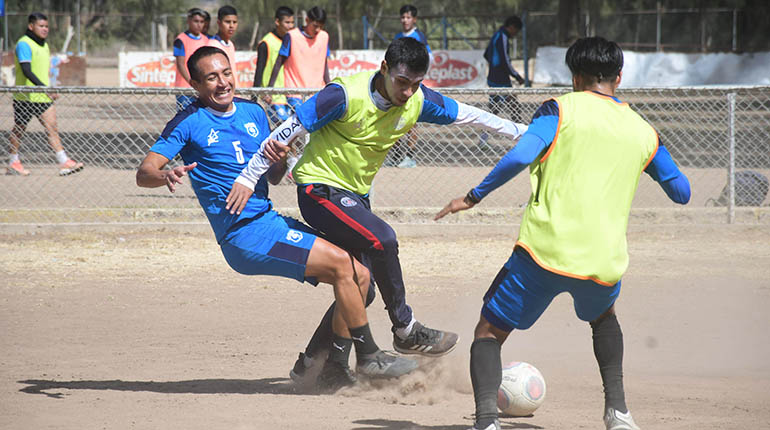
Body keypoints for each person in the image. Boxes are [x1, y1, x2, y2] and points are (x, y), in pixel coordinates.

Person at [230, 38, 528, 382]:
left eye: (416, 84)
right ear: (384, 69)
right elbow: (288, 129)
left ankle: (319, 367)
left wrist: (522, 132)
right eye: (402, 82)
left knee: (361, 285)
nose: (407, 92)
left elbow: (469, 114)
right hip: (319, 190)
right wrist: (248, 177)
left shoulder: (416, 100)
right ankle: (405, 328)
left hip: (355, 198)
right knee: (383, 238)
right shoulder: (344, 95)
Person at [434, 37, 692, 430]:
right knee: (604, 319)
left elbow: (521, 155)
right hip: (602, 261)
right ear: (618, 78)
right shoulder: (643, 131)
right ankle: (618, 414)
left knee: (487, 332)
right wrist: (647, 155)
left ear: (575, 77)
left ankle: (486, 421)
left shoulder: (560, 109)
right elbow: (682, 193)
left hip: (542, 253)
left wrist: (473, 197)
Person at [136, 46, 418, 391]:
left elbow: (273, 176)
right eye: (211, 77)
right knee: (346, 271)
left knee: (361, 280)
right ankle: (370, 356)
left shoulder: (254, 112)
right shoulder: (189, 121)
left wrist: (279, 158)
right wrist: (164, 174)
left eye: (226, 73)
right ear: (195, 83)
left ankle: (317, 366)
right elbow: (145, 171)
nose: (223, 82)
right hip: (245, 236)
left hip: (268, 221)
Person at [7, 12, 84, 177]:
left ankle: (64, 161)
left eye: (46, 26)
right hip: (25, 96)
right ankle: (13, 161)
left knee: (52, 127)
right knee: (19, 129)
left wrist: (49, 87)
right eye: (41, 26)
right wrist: (45, 88)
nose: (45, 29)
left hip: (42, 96)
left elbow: (44, 71)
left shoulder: (44, 45)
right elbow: (26, 70)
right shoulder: (24, 44)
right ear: (31, 26)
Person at [265, 6, 330, 112]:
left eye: (321, 26)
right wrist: (269, 89)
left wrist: (329, 86)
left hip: (317, 92)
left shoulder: (324, 37)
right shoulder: (292, 36)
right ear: (307, 20)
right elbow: (279, 62)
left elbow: (324, 64)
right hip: (295, 93)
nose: (318, 30)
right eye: (315, 26)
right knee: (302, 123)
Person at [392, 4, 431, 169]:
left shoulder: (419, 37)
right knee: (394, 118)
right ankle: (396, 155)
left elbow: (428, 57)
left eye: (408, 17)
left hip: (413, 86)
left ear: (414, 19)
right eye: (403, 17)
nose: (405, 20)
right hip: (399, 85)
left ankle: (410, 156)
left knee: (411, 121)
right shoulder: (398, 36)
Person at [253, 6, 295, 125]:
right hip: (274, 96)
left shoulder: (292, 41)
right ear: (277, 22)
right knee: (281, 129)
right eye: (287, 22)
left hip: (291, 95)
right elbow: (259, 71)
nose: (290, 26)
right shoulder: (266, 43)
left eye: (292, 22)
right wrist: (255, 96)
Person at [482, 15, 524, 130]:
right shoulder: (502, 37)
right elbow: (505, 61)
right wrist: (517, 76)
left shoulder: (496, 35)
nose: (515, 34)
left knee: (494, 108)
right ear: (511, 27)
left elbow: (486, 54)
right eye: (516, 31)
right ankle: (522, 133)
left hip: (492, 77)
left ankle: (483, 139)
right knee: (514, 106)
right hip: (501, 79)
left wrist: (493, 67)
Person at [174, 8, 209, 111]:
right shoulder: (180, 40)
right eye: (196, 21)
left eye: (202, 22)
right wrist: (191, 82)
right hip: (185, 89)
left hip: (202, 88)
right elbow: (180, 64)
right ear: (189, 21)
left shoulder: (206, 40)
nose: (199, 24)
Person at [207, 5, 239, 85]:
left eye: (234, 22)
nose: (231, 26)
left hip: (234, 90)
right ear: (219, 23)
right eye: (227, 22)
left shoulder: (230, 44)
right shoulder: (213, 44)